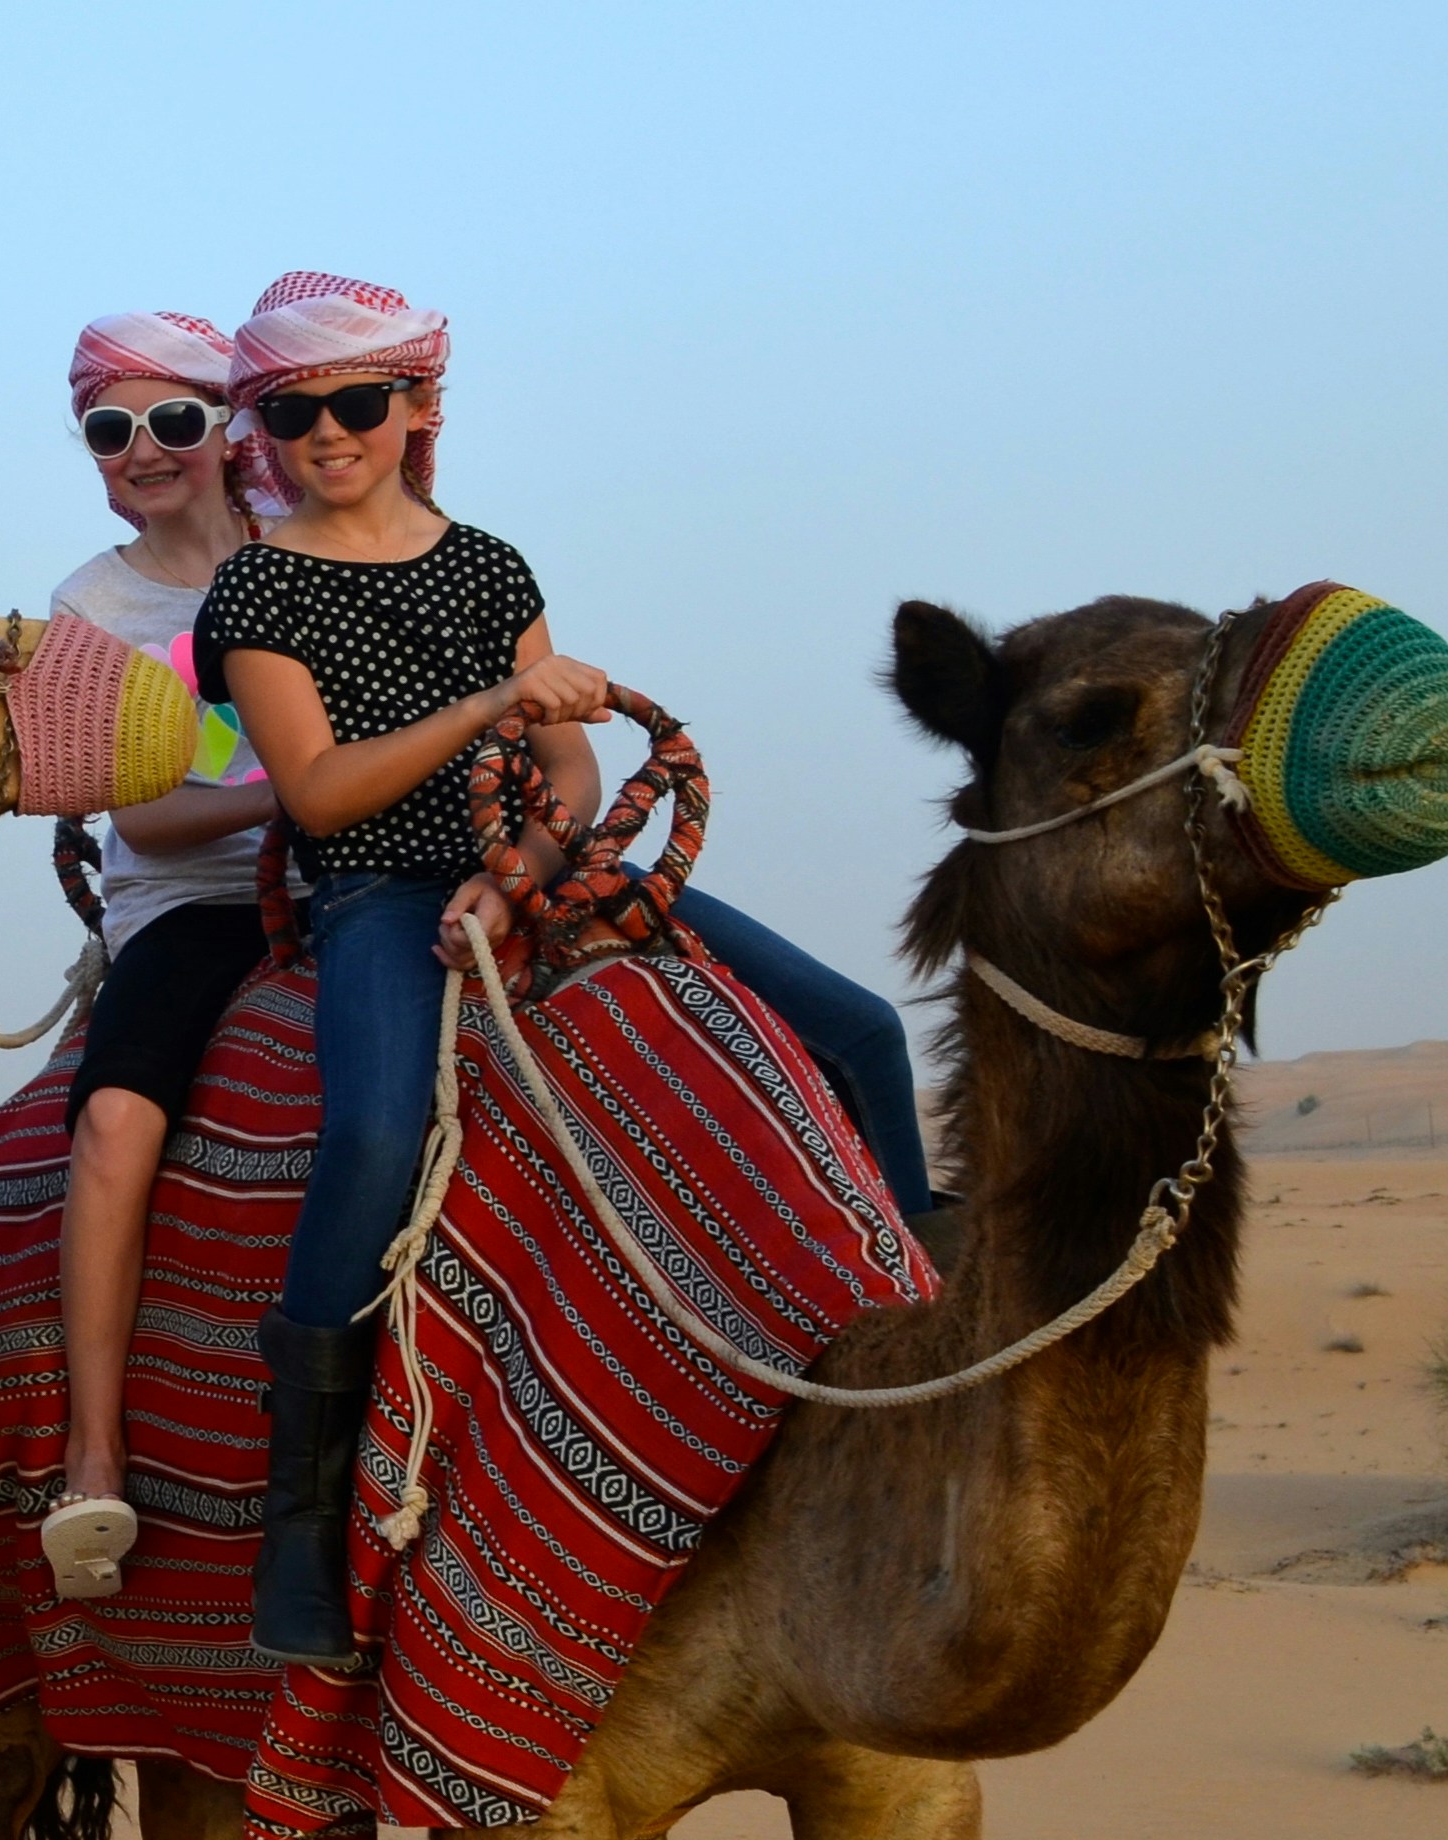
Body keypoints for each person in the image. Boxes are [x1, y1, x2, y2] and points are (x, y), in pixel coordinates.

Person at [194, 271, 925, 1668]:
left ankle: (920, 1339)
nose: (330, 432)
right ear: (264, 425)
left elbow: (576, 763)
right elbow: (319, 788)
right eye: (297, 410)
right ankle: (300, 1522)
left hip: (538, 874)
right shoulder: (259, 587)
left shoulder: (489, 565)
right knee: (368, 1132)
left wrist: (527, 859)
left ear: (415, 407)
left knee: (855, 1028)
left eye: (360, 402)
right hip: (377, 893)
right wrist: (483, 712)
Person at [34, 313, 281, 1607]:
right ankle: (94, 1446)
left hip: (352, 878)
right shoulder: (93, 606)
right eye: (109, 428)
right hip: (190, 899)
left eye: (172, 420)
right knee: (116, 1120)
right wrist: (288, 795)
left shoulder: (312, 551)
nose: (143, 449)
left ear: (227, 427)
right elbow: (143, 810)